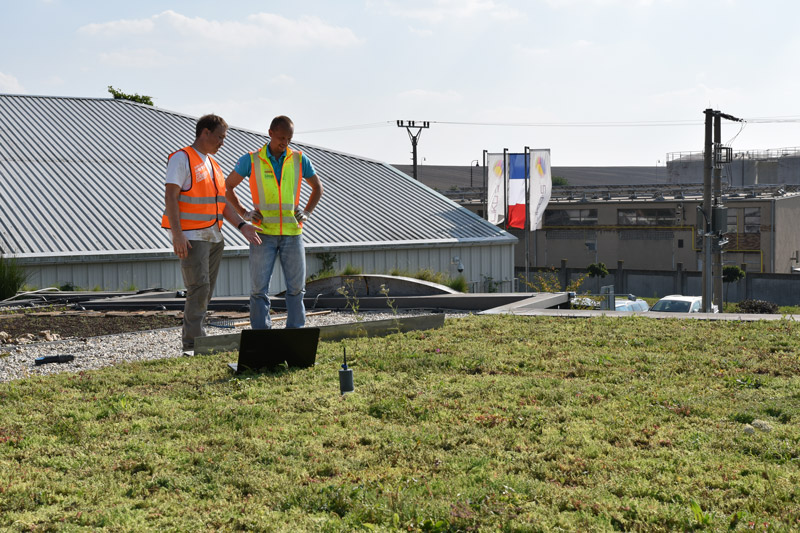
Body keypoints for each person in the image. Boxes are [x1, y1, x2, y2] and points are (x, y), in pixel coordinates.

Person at [162, 114, 262, 355]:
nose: (222, 143)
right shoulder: (182, 158)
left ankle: (197, 340)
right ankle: (194, 345)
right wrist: (177, 235)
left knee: (205, 291)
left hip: (214, 237)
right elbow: (171, 197)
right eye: (219, 137)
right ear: (204, 132)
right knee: (199, 288)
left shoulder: (213, 166)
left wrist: (241, 225)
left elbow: (222, 203)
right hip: (192, 237)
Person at [225, 115, 323, 329]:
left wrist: (307, 212)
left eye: (289, 138)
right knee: (259, 289)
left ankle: (295, 333)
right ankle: (262, 336)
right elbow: (227, 187)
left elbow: (318, 188)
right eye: (281, 138)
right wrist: (244, 212)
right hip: (263, 234)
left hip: (293, 234)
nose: (285, 142)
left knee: (296, 288)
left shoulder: (299, 159)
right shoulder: (251, 159)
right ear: (270, 133)